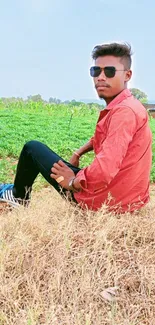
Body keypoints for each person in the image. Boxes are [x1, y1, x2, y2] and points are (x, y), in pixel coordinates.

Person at [0, 42, 152, 213]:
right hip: (128, 197)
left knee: (32, 149)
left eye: (109, 71)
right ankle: (15, 191)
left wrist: (72, 182)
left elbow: (104, 170)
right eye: (96, 71)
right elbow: (101, 138)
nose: (101, 77)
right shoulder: (130, 105)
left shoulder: (123, 112)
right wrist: (78, 152)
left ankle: (18, 196)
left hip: (104, 203)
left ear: (127, 75)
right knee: (53, 162)